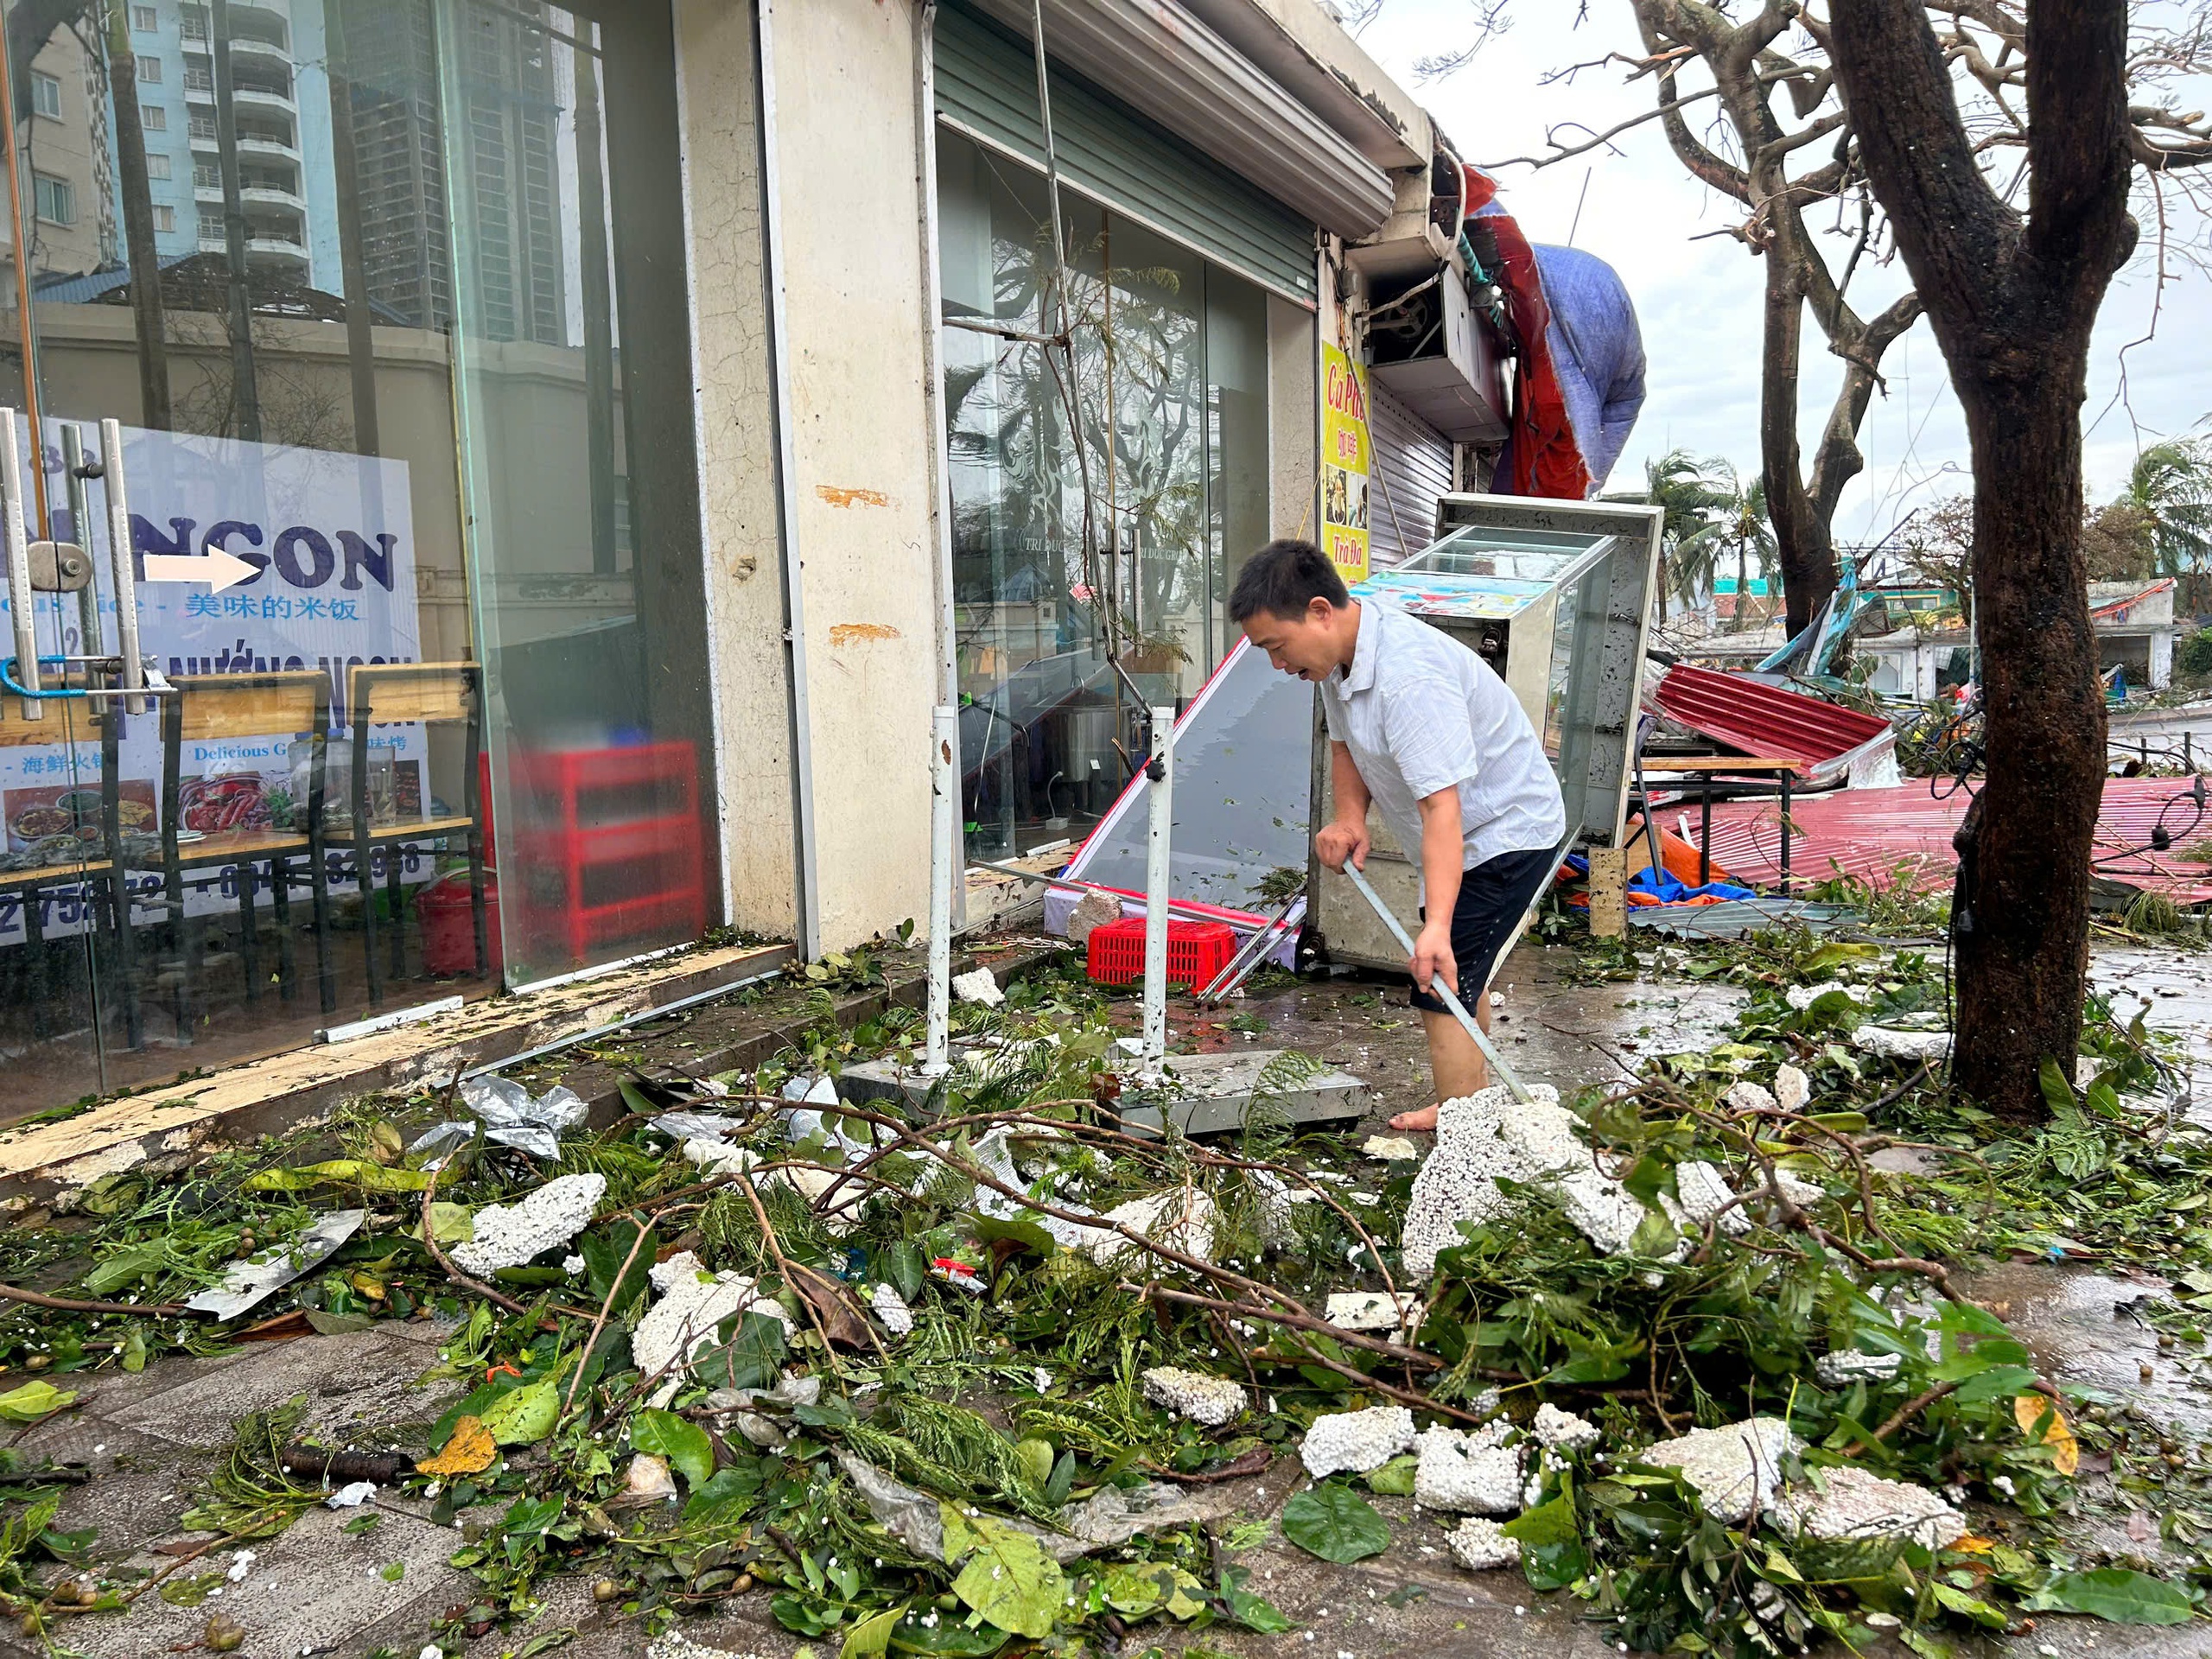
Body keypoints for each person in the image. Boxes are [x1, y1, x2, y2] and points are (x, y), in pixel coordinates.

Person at [1230, 538, 1565, 1130]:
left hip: (1506, 832)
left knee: (1439, 980)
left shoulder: (1409, 678)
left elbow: (1443, 809)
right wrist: (1349, 818)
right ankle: (1473, 1101)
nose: (1278, 666)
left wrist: (1434, 926)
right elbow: (1344, 744)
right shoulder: (1339, 660)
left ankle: (1464, 1135)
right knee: (1464, 966)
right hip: (1466, 831)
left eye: (1276, 648)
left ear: (1319, 611)